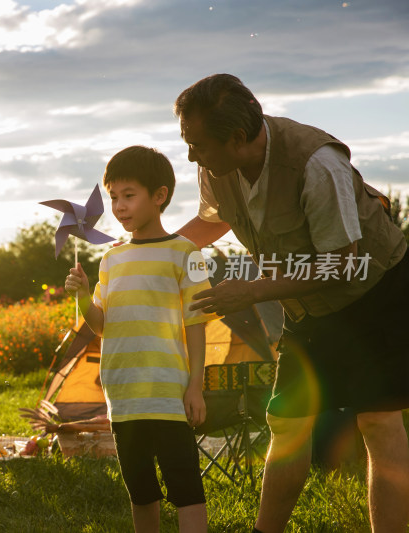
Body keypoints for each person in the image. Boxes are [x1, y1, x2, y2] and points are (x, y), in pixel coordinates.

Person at [173, 73, 409, 533]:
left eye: (196, 144)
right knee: (286, 421)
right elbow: (212, 221)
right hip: (307, 303)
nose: (190, 155)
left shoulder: (317, 165)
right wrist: (152, 252)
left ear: (237, 138)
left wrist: (252, 289)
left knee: (377, 422)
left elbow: (344, 265)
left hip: (376, 291)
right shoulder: (214, 166)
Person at [64, 146, 215, 533]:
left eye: (128, 195)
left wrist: (195, 386)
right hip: (124, 394)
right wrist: (83, 296)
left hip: (168, 392)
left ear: (159, 195)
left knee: (186, 489)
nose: (119, 206)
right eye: (113, 196)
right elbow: (100, 325)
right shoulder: (111, 259)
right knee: (141, 491)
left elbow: (197, 323)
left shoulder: (186, 253)